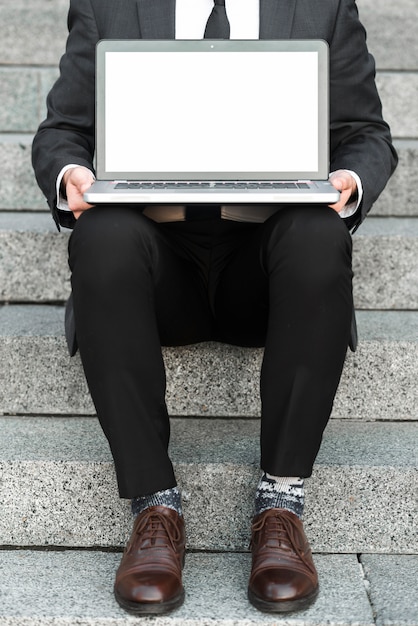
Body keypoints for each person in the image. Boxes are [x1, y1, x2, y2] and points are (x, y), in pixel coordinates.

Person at [32, 0, 397, 616]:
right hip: (157, 263)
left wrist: (349, 181)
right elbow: (62, 131)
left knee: (318, 236)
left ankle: (281, 506)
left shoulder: (322, 6)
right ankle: (155, 506)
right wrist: (72, 173)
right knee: (101, 237)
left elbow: (366, 135)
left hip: (266, 263)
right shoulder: (108, 5)